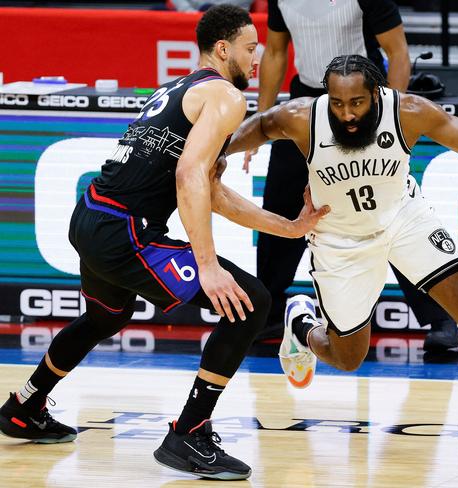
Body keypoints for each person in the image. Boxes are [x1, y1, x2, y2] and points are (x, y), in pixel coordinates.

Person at [0, 5, 328, 481]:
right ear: (223, 49)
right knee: (252, 302)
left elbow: (209, 190)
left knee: (107, 314)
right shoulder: (225, 96)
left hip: (91, 214)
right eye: (250, 48)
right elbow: (189, 174)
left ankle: (23, 405)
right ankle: (189, 434)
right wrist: (207, 264)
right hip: (125, 231)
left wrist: (289, 227)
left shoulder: (179, 87)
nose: (257, 59)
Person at [227, 54, 458, 451]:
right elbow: (262, 124)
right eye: (338, 103)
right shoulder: (303, 117)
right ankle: (302, 328)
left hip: (404, 219)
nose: (347, 114)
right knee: (347, 358)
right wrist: (223, 149)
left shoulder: (408, 111)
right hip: (341, 240)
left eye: (356, 102)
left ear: (375, 94)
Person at [251, 0, 458, 349]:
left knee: (387, 212)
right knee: (280, 203)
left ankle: (439, 316)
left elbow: (398, 52)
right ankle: (269, 313)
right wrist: (260, 121)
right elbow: (274, 52)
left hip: (363, 105)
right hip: (306, 102)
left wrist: (388, 117)